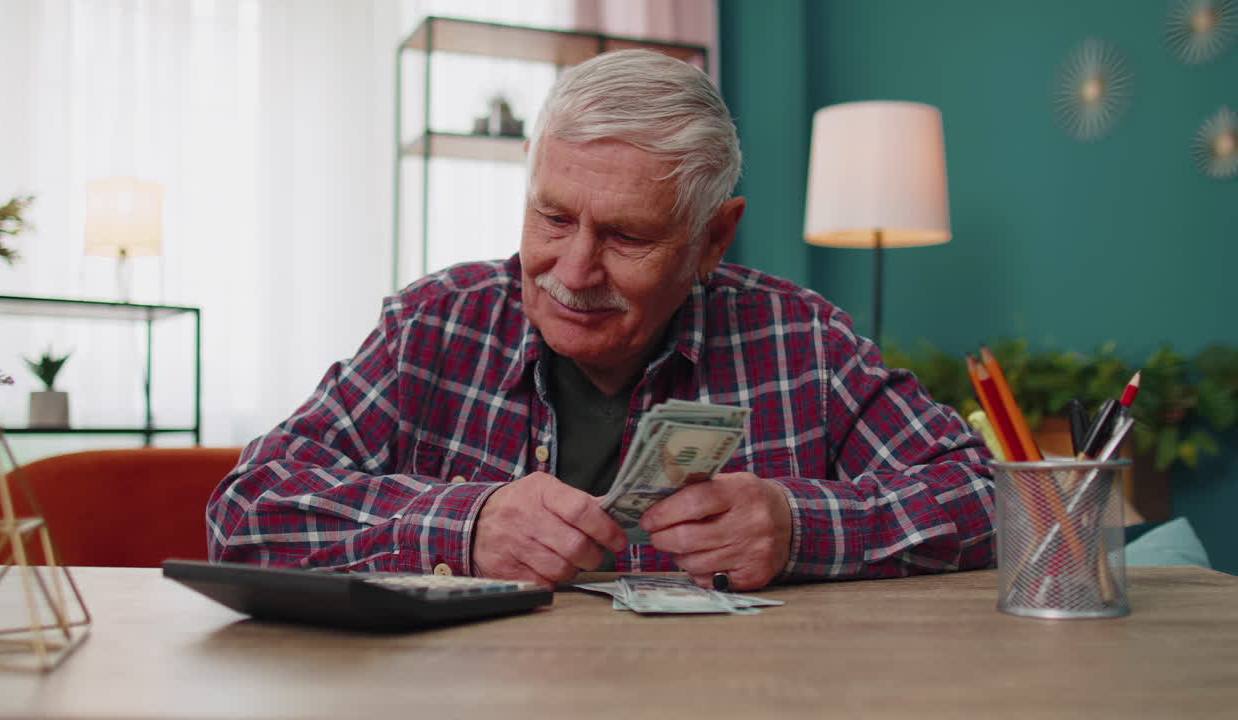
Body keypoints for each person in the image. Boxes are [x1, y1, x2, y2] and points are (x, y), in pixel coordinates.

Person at [207, 50, 994, 592]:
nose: (573, 273)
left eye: (626, 237)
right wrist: (463, 526)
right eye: (551, 218)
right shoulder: (433, 327)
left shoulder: (803, 342)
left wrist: (799, 526)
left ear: (713, 238)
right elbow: (248, 510)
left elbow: (985, 497)